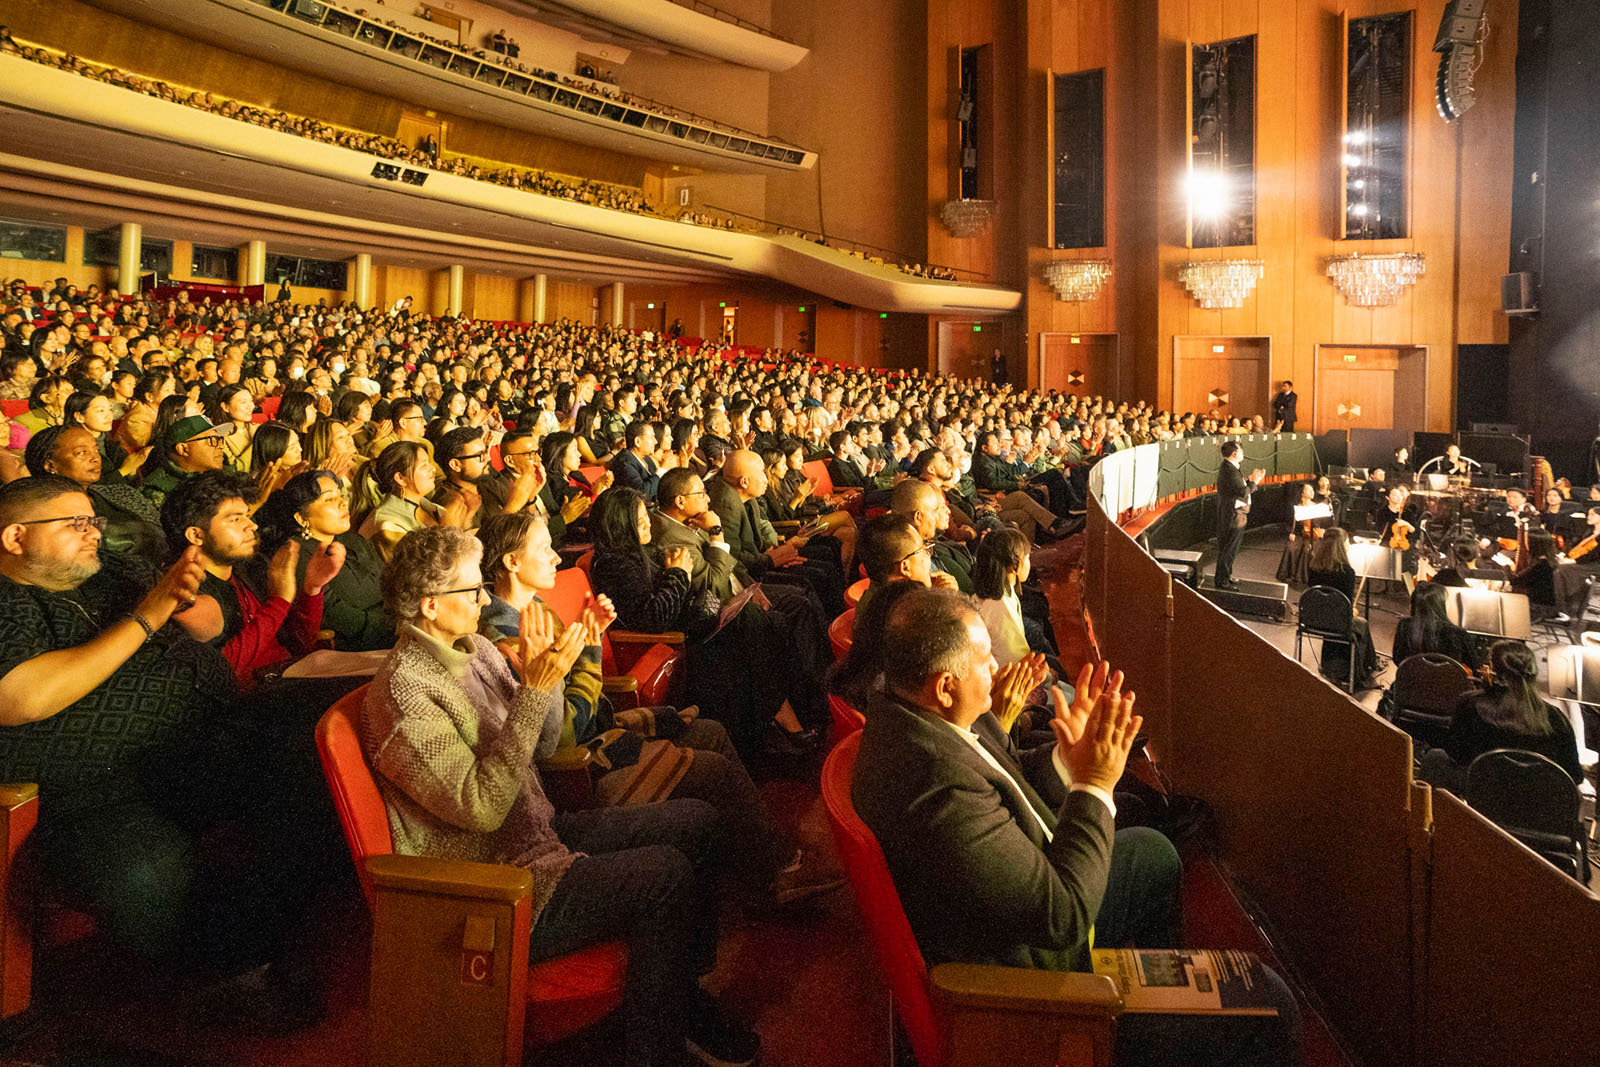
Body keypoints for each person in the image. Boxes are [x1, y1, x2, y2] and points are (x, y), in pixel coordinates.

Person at [841, 586, 1300, 1067]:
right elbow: (1063, 917)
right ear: (944, 685)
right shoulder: (935, 787)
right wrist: (1095, 784)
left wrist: (1069, 757)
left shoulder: (919, 715)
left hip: (1023, 902)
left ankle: (1156, 1007)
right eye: (983, 659)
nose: (995, 668)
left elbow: (1009, 775)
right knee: (1274, 1006)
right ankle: (1116, 1023)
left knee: (1155, 853)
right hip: (1025, 986)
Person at [362, 525, 760, 1067]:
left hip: (535, 835)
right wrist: (532, 690)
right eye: (473, 590)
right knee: (666, 874)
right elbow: (483, 807)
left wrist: (549, 670)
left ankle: (677, 997)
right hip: (496, 884)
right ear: (430, 606)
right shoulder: (404, 693)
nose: (485, 601)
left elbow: (547, 743)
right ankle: (656, 1048)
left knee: (699, 822)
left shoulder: (474, 648)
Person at [475, 511, 840, 904]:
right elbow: (563, 733)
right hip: (578, 763)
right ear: (512, 562)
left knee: (712, 731)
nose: (554, 556)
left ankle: (760, 860)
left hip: (597, 725)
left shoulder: (535, 609)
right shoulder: (506, 639)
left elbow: (574, 685)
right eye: (543, 548)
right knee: (713, 770)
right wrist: (591, 646)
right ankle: (776, 871)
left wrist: (586, 643)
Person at [163, 470, 343, 688]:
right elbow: (221, 671)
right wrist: (279, 601)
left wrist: (312, 588)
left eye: (247, 515)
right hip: (256, 702)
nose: (252, 525)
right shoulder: (187, 591)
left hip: (292, 679)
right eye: (235, 519)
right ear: (196, 535)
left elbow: (299, 645)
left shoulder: (251, 568)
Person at [256, 469, 393, 651]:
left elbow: (391, 583)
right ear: (301, 518)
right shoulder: (295, 556)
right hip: (357, 647)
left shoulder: (354, 541)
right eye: (329, 499)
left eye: (340, 495)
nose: (343, 502)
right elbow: (334, 614)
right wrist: (394, 626)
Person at [1421, 641, 1583, 790]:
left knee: (1435, 757)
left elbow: (1455, 753)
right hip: (1535, 801)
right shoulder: (1557, 718)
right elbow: (1574, 775)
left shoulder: (1471, 704)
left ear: (1493, 672)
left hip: (1481, 791)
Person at [1305, 528, 1378, 684]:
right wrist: (1351, 611)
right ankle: (1366, 667)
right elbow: (1347, 606)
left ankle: (1333, 664)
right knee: (1362, 624)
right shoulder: (1347, 572)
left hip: (1313, 620)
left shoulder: (1313, 568)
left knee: (1336, 620)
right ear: (1341, 546)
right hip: (1339, 623)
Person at [1392, 581, 1479, 669]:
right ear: (1441, 605)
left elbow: (1397, 659)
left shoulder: (1404, 626)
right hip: (1447, 678)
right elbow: (1475, 666)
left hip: (1412, 678)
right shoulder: (1458, 633)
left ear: (1413, 605)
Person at [1213, 440, 1263, 590]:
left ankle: (1226, 575)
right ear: (1234, 454)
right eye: (1241, 450)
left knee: (1230, 548)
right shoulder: (1229, 469)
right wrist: (1255, 481)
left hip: (1235, 513)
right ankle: (1222, 581)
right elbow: (1242, 491)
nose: (1243, 453)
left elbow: (1238, 486)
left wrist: (1249, 481)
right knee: (1229, 548)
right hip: (1233, 515)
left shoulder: (1231, 467)